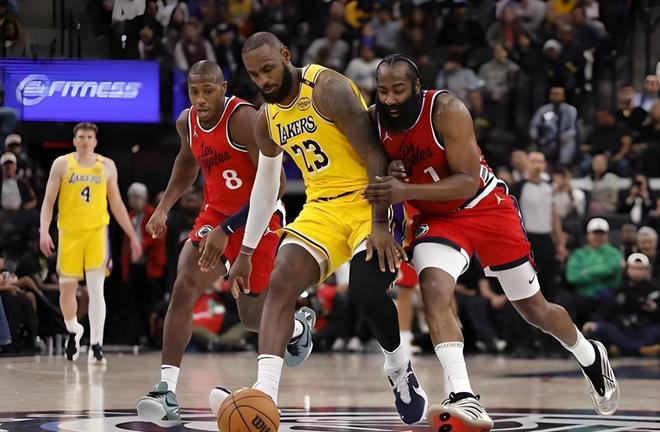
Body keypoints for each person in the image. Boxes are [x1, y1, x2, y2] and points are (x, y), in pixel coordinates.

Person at [366, 55, 618, 431]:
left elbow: (467, 181)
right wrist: (390, 182)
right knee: (433, 288)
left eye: (398, 90)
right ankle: (462, 394)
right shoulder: (375, 120)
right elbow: (377, 170)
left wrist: (405, 189)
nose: (389, 98)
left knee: (535, 310)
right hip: (436, 219)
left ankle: (588, 354)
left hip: (485, 206)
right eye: (382, 90)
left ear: (417, 87)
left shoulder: (446, 110)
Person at [220, 32, 428, 426]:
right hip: (321, 208)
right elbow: (266, 186)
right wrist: (246, 250)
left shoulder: (327, 88)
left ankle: (398, 367)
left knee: (366, 294)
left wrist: (380, 222)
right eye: (254, 74)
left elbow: (374, 154)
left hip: (368, 196)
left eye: (268, 69)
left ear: (286, 55)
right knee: (281, 280)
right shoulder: (266, 118)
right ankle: (265, 392)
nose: (263, 80)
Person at [136, 60, 314, 423]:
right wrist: (163, 208)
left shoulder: (246, 120)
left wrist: (229, 230)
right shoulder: (187, 122)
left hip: (258, 219)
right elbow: (187, 164)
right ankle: (166, 390)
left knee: (252, 318)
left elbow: (277, 187)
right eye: (194, 92)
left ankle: (298, 327)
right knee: (183, 286)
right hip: (214, 216)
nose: (200, 99)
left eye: (208, 91)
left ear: (223, 88)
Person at [39, 122, 143, 365]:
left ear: (95, 141)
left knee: (97, 290)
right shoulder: (62, 164)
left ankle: (97, 344)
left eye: (89, 137)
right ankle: (74, 329)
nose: (85, 140)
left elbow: (116, 203)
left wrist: (133, 236)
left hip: (97, 233)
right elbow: (48, 202)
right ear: (74, 140)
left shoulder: (106, 166)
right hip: (69, 233)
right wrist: (44, 231)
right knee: (67, 291)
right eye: (81, 137)